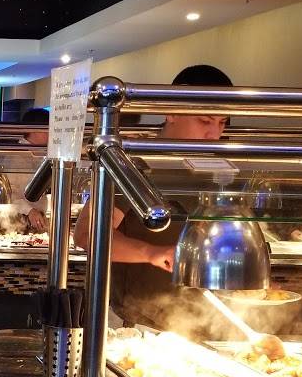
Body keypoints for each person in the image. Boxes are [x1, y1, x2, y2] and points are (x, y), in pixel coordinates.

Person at [73, 64, 234, 329]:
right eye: (205, 121)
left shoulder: (217, 168)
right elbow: (86, 234)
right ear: (171, 112)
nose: (214, 134)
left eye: (222, 123)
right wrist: (151, 252)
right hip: (136, 322)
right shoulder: (135, 160)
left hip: (203, 318)